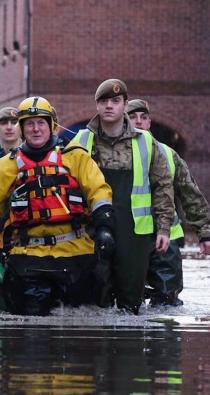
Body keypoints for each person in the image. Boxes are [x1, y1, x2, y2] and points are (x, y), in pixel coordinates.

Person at [0, 96, 114, 316]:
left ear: (51, 125)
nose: (36, 129)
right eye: (29, 123)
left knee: (83, 331)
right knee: (29, 337)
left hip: (76, 254)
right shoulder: (7, 165)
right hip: (28, 257)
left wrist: (104, 228)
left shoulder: (76, 157)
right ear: (22, 128)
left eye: (41, 122)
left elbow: (98, 192)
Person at [70, 80, 174, 314]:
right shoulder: (81, 141)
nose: (109, 106)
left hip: (135, 233)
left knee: (131, 301)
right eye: (104, 101)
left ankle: (130, 349)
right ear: (96, 105)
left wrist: (164, 228)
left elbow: (163, 186)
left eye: (115, 101)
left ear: (125, 105)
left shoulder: (146, 141)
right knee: (94, 299)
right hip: (91, 229)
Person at [126, 98, 210, 305]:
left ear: (149, 123)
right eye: (132, 117)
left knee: (167, 301)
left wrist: (205, 233)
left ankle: (166, 337)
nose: (139, 122)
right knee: (126, 302)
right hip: (129, 238)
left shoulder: (168, 153)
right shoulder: (115, 154)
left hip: (166, 239)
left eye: (143, 118)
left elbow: (190, 194)